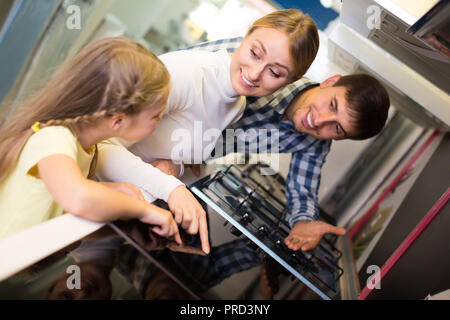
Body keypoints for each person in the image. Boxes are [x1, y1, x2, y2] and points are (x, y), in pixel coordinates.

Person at [95, 9, 321, 254]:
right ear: (246, 35)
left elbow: (178, 152)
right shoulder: (185, 74)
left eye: (275, 73)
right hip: (85, 190)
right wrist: (171, 188)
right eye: (255, 53)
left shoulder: (237, 104)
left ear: (289, 83)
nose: (255, 74)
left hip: (118, 208)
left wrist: (176, 169)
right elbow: (101, 147)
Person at [0, 37, 180, 244]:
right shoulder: (54, 139)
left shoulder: (86, 147)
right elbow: (78, 199)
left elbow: (57, 200)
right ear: (118, 120)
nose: (159, 120)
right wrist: (145, 211)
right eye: (155, 115)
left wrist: (111, 191)